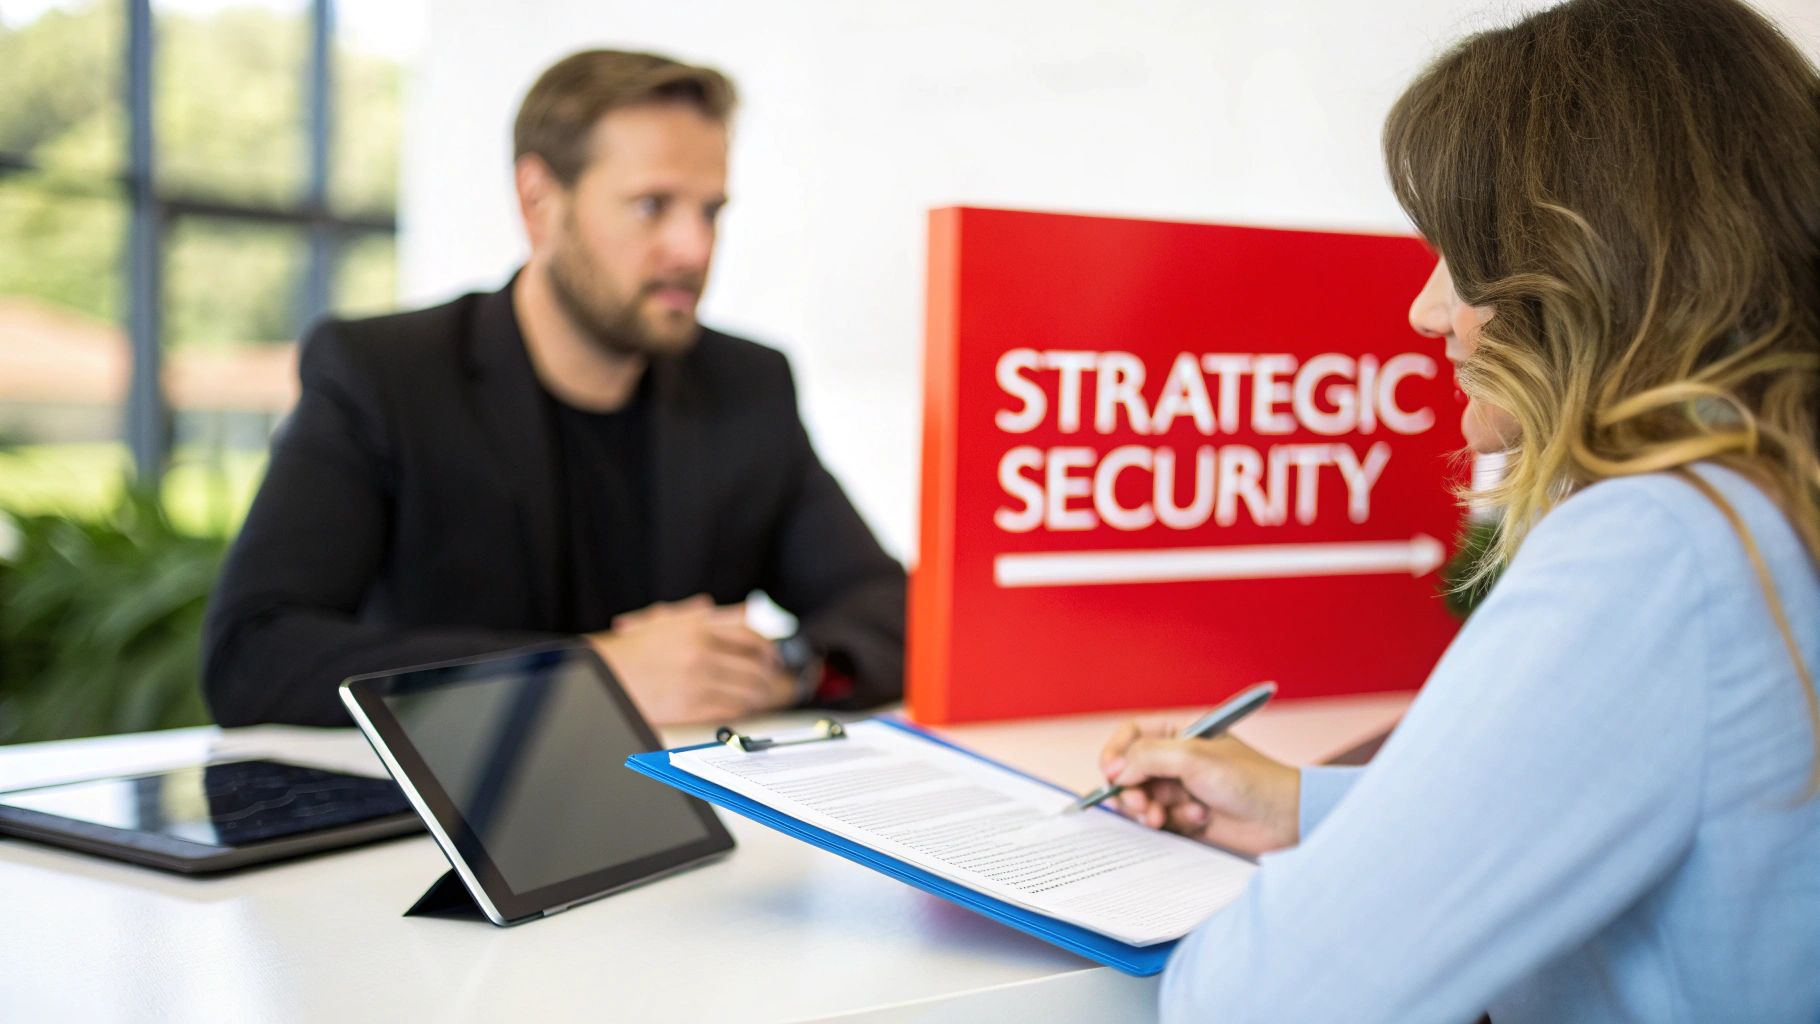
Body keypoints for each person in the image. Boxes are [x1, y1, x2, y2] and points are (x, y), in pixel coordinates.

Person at [1096, 1, 1820, 1020]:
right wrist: (1311, 808)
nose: (1425, 310)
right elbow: (1694, 808)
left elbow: (1265, 1001)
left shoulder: (1662, 545)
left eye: (1459, 256)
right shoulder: (1775, 501)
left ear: (1584, 262)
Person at [202, 50, 905, 729]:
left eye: (711, 211)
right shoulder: (385, 374)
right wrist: (594, 672)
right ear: (538, 201)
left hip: (697, 814)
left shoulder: (747, 385)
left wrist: (786, 667)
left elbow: (891, 607)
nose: (693, 248)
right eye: (651, 206)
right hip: (453, 827)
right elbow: (254, 653)